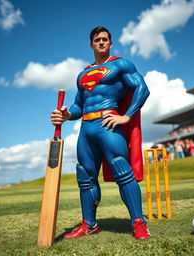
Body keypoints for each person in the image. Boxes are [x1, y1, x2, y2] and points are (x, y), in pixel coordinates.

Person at [51, 26, 151, 239]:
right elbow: (79, 105)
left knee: (122, 171)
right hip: (86, 129)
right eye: (97, 39)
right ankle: (89, 224)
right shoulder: (82, 74)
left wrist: (127, 116)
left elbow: (142, 89)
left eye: (105, 39)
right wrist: (67, 114)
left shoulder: (120, 64)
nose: (102, 42)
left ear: (110, 43)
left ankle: (139, 222)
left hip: (108, 125)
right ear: (91, 44)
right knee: (85, 177)